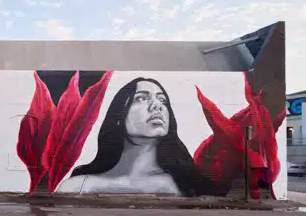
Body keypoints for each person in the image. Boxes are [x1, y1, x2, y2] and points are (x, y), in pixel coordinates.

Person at [55, 77, 213, 197]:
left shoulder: (186, 184)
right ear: (118, 116)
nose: (157, 105)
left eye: (162, 100)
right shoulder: (77, 186)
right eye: (142, 98)